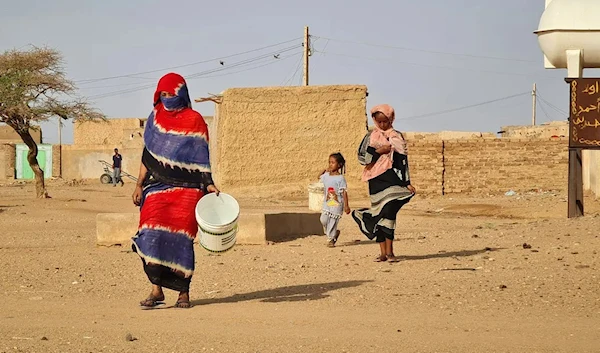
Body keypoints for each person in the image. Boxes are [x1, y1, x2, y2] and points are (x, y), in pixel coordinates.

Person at [131, 73, 220, 309]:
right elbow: (147, 156)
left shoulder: (195, 120)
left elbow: (202, 158)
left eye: (172, 94)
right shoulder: (155, 119)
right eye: (163, 94)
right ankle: (156, 290)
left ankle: (183, 292)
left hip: (187, 190)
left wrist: (208, 183)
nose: (168, 98)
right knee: (149, 235)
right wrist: (139, 184)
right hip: (157, 188)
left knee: (181, 240)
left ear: (182, 94)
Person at [352, 104, 416, 263]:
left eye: (385, 122)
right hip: (375, 179)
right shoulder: (370, 137)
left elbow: (402, 161)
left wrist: (407, 182)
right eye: (379, 122)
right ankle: (383, 253)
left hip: (392, 178)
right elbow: (362, 158)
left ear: (391, 120)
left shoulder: (396, 136)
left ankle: (391, 252)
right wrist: (380, 151)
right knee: (380, 215)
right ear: (374, 120)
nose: (382, 125)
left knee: (389, 213)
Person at [318, 153, 351, 248]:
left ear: (339, 165)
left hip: (337, 203)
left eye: (333, 162)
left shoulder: (340, 178)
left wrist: (346, 205)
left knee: (332, 221)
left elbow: (344, 191)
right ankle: (333, 233)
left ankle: (331, 239)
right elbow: (318, 177)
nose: (330, 164)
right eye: (329, 162)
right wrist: (323, 170)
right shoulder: (326, 176)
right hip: (327, 202)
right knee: (323, 220)